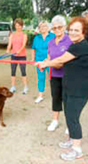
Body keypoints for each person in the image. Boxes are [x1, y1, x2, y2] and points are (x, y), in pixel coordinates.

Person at [37, 17, 88, 161]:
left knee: (72, 118)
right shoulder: (75, 45)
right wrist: (46, 62)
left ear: (83, 32)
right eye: (71, 30)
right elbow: (59, 62)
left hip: (79, 90)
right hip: (69, 86)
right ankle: (72, 140)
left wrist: (44, 64)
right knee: (69, 115)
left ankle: (77, 150)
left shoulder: (81, 46)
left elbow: (60, 60)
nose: (72, 32)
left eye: (76, 30)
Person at [45, 15, 73, 132]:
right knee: (55, 98)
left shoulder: (70, 40)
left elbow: (64, 61)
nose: (56, 30)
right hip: (54, 75)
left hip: (68, 76)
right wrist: (45, 63)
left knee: (68, 99)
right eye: (54, 28)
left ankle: (69, 123)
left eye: (59, 27)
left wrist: (48, 63)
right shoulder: (51, 42)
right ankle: (55, 120)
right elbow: (49, 57)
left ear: (64, 27)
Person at [31, 21, 55, 103]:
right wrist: (33, 59)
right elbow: (33, 49)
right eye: (41, 26)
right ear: (39, 29)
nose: (43, 28)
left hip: (50, 61)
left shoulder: (53, 36)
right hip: (39, 61)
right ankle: (40, 96)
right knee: (41, 78)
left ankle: (55, 95)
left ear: (48, 27)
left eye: (45, 26)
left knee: (53, 78)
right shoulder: (36, 38)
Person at [7, 18, 28, 94]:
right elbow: (10, 44)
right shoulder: (12, 35)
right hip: (13, 56)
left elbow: (23, 45)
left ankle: (25, 87)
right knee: (13, 71)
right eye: (16, 25)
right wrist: (8, 50)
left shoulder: (24, 35)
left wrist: (19, 51)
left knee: (23, 71)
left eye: (19, 25)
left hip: (22, 56)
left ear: (22, 26)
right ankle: (13, 86)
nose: (18, 27)